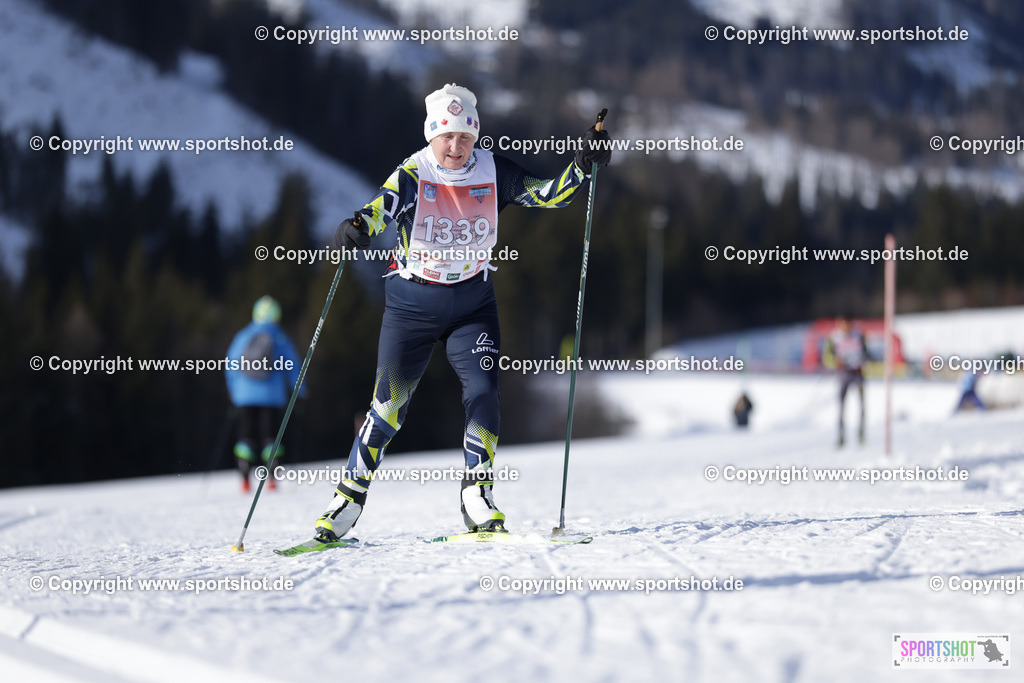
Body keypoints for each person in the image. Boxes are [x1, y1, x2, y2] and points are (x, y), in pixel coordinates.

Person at [311, 83, 611, 542]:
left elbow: (549, 194)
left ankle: (478, 494)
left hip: (472, 303)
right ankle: (348, 498)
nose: (455, 147)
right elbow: (380, 209)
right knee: (389, 406)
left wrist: (583, 166)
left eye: (465, 137)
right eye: (446, 136)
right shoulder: (414, 171)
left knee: (484, 390)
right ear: (432, 135)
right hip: (411, 304)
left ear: (476, 136)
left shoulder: (494, 171)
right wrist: (356, 227)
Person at [225, 295, 303, 492]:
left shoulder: (243, 335)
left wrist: (233, 390)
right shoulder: (279, 337)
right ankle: (272, 479)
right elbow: (293, 366)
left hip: (244, 395)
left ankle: (244, 479)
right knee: (271, 438)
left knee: (245, 438)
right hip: (272, 396)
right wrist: (300, 391)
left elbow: (231, 364)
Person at [823, 315, 869, 447]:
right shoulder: (833, 337)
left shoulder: (858, 336)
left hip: (857, 373)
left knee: (861, 406)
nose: (845, 327)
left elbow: (866, 353)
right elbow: (827, 358)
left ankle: (861, 433)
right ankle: (841, 435)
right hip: (843, 374)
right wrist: (837, 362)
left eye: (848, 324)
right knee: (842, 407)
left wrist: (862, 358)